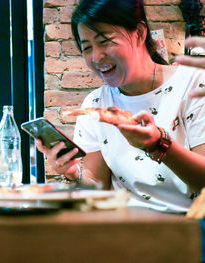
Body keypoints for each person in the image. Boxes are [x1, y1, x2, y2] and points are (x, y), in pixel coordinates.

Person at [37, 0, 205, 213]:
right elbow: (98, 188)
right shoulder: (95, 105)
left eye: (105, 41)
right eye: (87, 47)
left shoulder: (195, 85)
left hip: (190, 230)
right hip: (123, 229)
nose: (96, 57)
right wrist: (72, 173)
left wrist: (158, 145)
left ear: (140, 33)